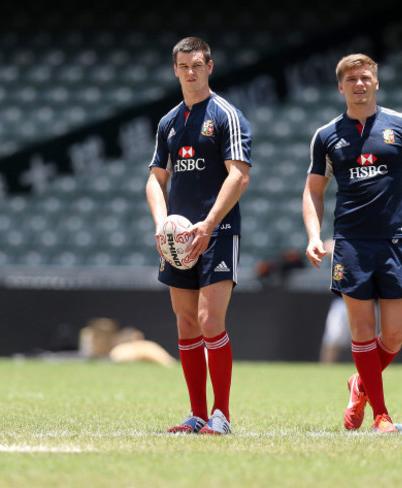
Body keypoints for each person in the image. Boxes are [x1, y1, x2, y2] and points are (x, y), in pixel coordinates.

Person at [302, 54, 402, 434]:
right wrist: (313, 234)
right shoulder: (327, 136)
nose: (359, 84)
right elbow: (313, 191)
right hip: (351, 244)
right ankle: (381, 416)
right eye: (351, 79)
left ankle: (360, 384)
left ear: (376, 83)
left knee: (393, 335)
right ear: (340, 87)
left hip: (397, 242)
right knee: (360, 331)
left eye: (365, 77)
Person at [146, 37, 251, 435]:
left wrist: (207, 225)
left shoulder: (227, 115)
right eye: (183, 66)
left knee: (209, 320)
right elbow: (155, 179)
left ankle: (221, 415)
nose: (191, 72)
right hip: (178, 238)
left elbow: (239, 175)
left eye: (197, 65)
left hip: (218, 231)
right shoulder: (169, 122)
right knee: (186, 323)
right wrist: (162, 222)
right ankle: (196, 415)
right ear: (175, 70)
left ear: (210, 67)